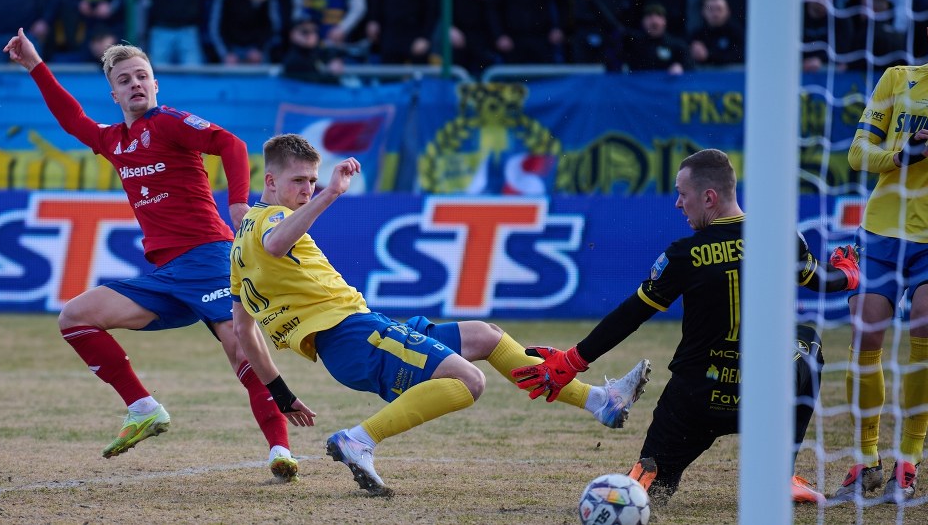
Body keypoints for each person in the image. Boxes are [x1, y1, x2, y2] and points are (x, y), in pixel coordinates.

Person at [230, 133, 653, 495]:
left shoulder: (238, 248)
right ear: (270, 181)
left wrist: (280, 393)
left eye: (313, 181)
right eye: (298, 181)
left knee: (486, 336)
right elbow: (276, 243)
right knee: (470, 382)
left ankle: (600, 402)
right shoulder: (274, 220)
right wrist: (332, 193)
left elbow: (243, 330)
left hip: (361, 335)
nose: (308, 189)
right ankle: (359, 440)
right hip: (354, 336)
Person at [2, 29, 300, 481]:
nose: (136, 84)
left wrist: (239, 202)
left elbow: (232, 144)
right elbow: (72, 119)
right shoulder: (114, 141)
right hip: (166, 274)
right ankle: (143, 407)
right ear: (115, 94)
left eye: (142, 76)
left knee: (240, 348)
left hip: (209, 257)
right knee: (75, 317)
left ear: (156, 84)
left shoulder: (169, 122)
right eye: (124, 80)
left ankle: (280, 449)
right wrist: (34, 65)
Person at [510, 149, 861, 505]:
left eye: (682, 194)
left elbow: (632, 314)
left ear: (708, 197)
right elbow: (823, 280)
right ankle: (780, 474)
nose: (678, 203)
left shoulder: (684, 254)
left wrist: (573, 361)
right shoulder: (779, 238)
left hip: (696, 400)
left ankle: (646, 480)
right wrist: (849, 274)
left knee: (646, 496)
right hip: (763, 395)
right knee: (808, 342)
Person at [834, 45, 928, 503]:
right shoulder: (897, 79)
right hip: (882, 231)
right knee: (866, 333)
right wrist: (900, 156)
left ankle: (908, 461)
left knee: (924, 330)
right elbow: (857, 154)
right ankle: (865, 460)